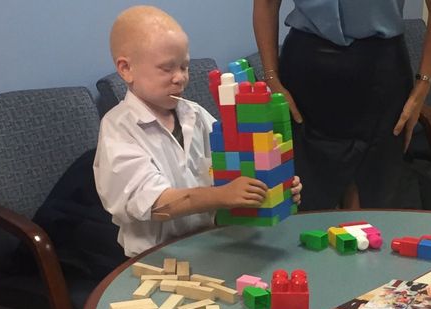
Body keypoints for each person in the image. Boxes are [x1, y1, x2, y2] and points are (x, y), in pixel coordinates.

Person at [94, 5, 302, 257]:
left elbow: (233, 168)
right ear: (126, 69)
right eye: (167, 68)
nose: (180, 77)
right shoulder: (119, 128)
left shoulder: (195, 114)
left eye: (184, 67)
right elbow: (155, 203)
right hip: (156, 257)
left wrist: (273, 186)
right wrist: (222, 196)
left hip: (211, 243)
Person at [253, 0, 431, 210]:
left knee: (374, 201)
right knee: (305, 199)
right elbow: (266, 4)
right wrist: (271, 78)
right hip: (305, 78)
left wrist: (422, 87)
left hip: (381, 78)